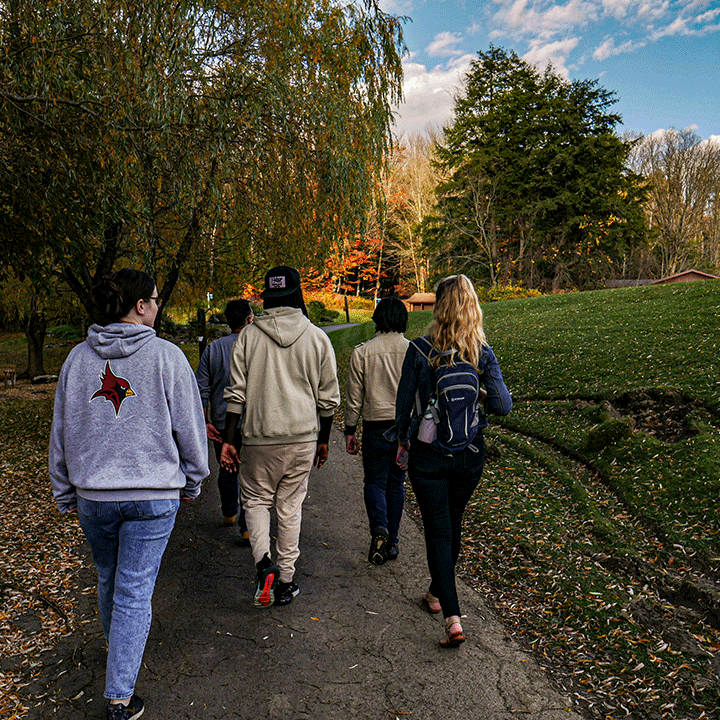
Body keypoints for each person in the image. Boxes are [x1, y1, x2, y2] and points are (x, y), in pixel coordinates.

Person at [49, 268, 209, 720]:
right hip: (154, 495)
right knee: (135, 590)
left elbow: (61, 431)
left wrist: (64, 489)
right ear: (140, 306)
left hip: (94, 497)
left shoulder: (78, 360)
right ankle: (120, 695)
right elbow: (190, 428)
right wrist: (194, 479)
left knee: (108, 577)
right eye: (155, 300)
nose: (159, 307)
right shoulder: (168, 357)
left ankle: (120, 650)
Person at [395, 274, 512, 648]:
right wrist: (478, 406)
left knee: (438, 530)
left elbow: (403, 408)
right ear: (473, 307)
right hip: (469, 454)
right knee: (452, 524)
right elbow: (503, 405)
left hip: (429, 455)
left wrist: (402, 443)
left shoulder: (419, 349)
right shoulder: (482, 352)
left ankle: (452, 617)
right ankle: (436, 592)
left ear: (439, 306)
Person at [221, 266, 341, 607]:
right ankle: (286, 579)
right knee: (290, 506)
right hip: (303, 437)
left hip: (259, 439)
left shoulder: (248, 336)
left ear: (267, 297)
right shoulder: (317, 337)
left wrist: (230, 440)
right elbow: (328, 398)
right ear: (296, 294)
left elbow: (236, 394)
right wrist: (323, 440)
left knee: (256, 501)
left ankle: (263, 562)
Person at [345, 297, 409, 565]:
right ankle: (392, 540)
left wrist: (350, 429)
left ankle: (378, 528)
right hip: (404, 430)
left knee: (374, 481)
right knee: (396, 483)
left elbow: (353, 398)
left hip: (374, 428)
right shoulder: (414, 351)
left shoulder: (362, 353)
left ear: (377, 318)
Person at [196, 299, 254, 540]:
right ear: (250, 319)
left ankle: (229, 511)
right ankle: (247, 525)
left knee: (227, 468)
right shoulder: (257, 347)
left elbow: (202, 388)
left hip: (221, 422)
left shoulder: (213, 349)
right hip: (253, 422)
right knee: (251, 473)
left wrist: (205, 419)